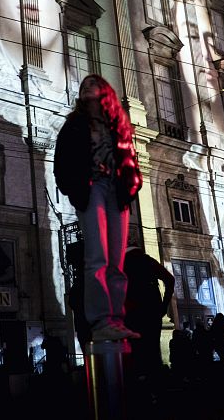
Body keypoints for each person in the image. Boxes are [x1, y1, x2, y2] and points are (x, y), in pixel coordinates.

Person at [54, 75, 143, 342]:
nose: (85, 87)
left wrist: (131, 187)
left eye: (91, 83)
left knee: (116, 260)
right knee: (97, 257)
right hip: (91, 189)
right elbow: (62, 162)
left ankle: (116, 319)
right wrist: (73, 190)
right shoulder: (74, 125)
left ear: (104, 90)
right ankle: (101, 320)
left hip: (116, 192)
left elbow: (131, 160)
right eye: (83, 86)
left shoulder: (118, 124)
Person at [123, 244, 175, 378]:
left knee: (135, 355)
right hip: (152, 314)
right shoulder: (148, 261)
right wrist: (164, 306)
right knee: (152, 351)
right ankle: (156, 388)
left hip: (131, 315)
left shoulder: (121, 264)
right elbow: (170, 280)